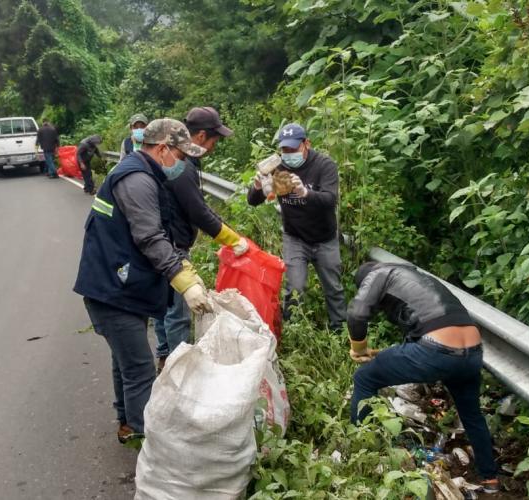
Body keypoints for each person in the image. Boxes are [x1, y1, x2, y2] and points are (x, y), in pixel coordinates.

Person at [74, 118, 211, 444]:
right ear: (163, 149)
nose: (182, 163)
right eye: (180, 155)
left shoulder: (144, 173)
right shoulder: (137, 180)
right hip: (112, 290)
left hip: (117, 284)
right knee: (139, 370)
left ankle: (126, 423)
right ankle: (146, 441)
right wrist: (183, 280)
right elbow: (150, 237)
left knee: (124, 363)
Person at [347, 261, 500, 493]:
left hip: (437, 352)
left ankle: (360, 453)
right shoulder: (416, 277)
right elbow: (426, 328)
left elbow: (357, 314)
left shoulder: (377, 275)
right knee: (471, 414)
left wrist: (358, 349)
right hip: (472, 352)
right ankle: (490, 479)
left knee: (364, 378)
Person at [153, 106, 248, 371]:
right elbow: (199, 213)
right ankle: (179, 370)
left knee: (163, 306)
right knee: (178, 314)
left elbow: (198, 208)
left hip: (162, 244)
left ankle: (164, 355)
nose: (215, 146)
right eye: (215, 140)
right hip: (172, 248)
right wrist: (233, 240)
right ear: (202, 136)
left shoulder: (175, 160)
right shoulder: (181, 168)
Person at [247, 123, 347, 332]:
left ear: (306, 144)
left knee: (334, 288)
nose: (288, 154)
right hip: (295, 238)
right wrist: (257, 186)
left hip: (325, 238)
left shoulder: (324, 165)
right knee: (294, 288)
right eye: (284, 150)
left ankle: (339, 331)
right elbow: (253, 200)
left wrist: (306, 193)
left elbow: (330, 200)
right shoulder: (277, 166)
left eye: (293, 149)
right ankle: (293, 332)